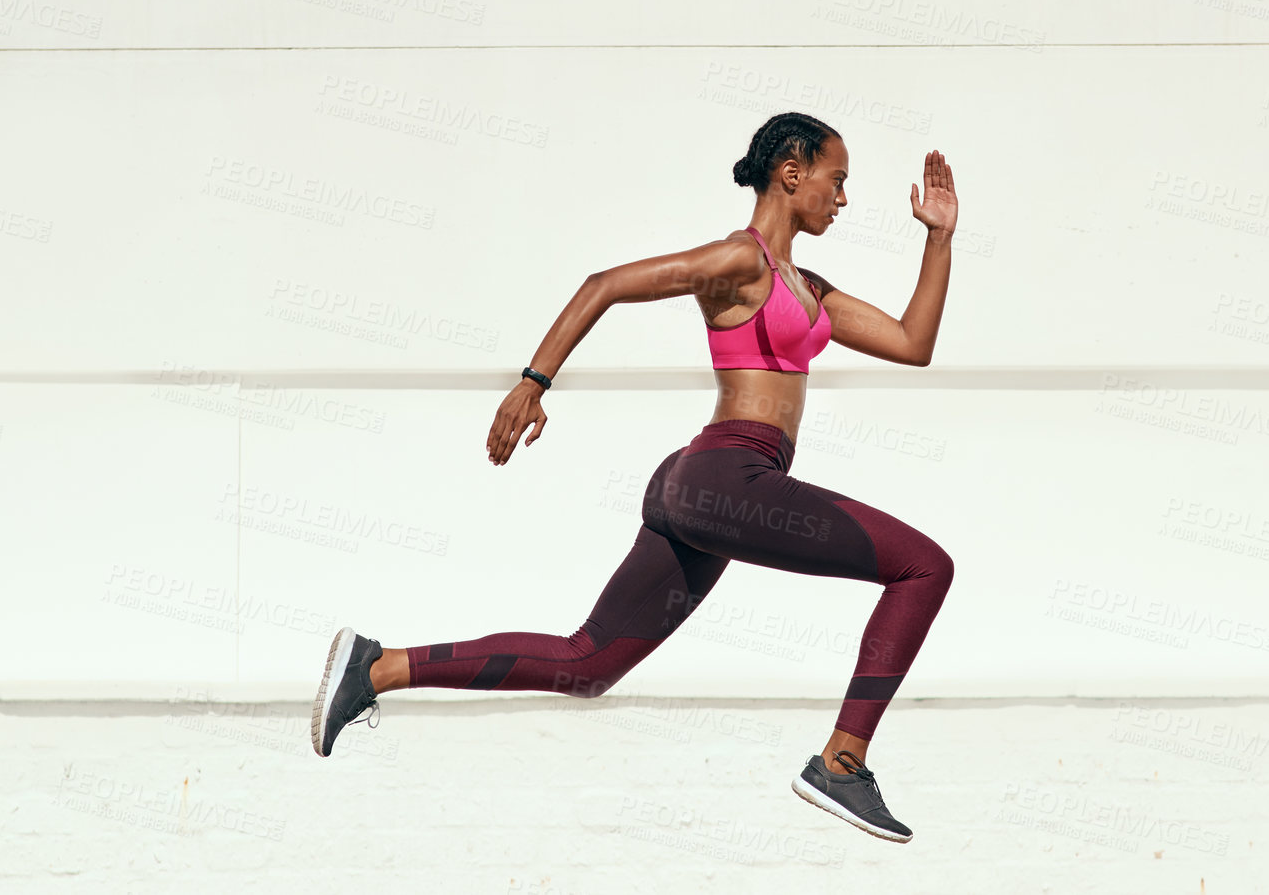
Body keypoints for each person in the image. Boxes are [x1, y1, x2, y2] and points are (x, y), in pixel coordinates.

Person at [311, 112, 958, 842]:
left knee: (588, 664)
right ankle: (842, 761)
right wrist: (533, 382)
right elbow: (606, 283)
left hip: (707, 487)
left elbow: (912, 343)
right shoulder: (737, 262)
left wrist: (937, 237)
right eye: (836, 180)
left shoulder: (809, 286)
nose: (842, 199)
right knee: (923, 565)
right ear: (792, 170)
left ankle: (376, 667)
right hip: (725, 475)